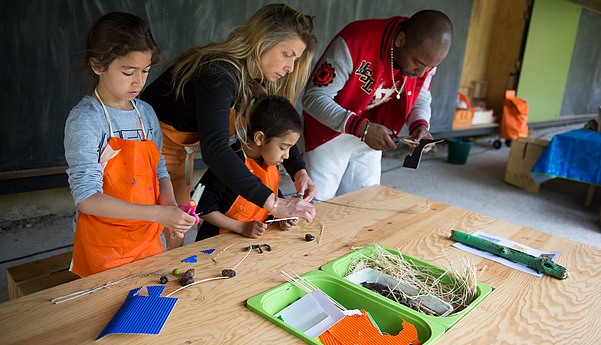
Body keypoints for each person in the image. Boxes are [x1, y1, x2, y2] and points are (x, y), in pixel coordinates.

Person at [141, 3, 318, 247]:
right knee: (142, 230)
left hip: (183, 152)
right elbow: (215, 150)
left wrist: (299, 171)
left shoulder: (255, 80)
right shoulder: (218, 74)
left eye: (295, 60)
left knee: (177, 232)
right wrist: (274, 204)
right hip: (145, 145)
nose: (290, 67)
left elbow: (277, 127)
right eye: (287, 55)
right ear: (263, 41)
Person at [64, 12, 196, 277]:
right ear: (97, 65)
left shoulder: (145, 112)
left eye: (145, 71)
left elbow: (159, 168)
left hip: (148, 239)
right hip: (105, 245)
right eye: (128, 72)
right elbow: (87, 198)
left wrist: (169, 206)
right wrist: (158, 214)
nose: (139, 82)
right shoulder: (87, 119)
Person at [301, 10, 453, 201]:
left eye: (429, 67)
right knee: (317, 202)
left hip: (373, 132)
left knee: (363, 200)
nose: (422, 73)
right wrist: (361, 128)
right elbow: (314, 98)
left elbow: (420, 96)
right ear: (400, 40)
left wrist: (420, 125)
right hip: (330, 129)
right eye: (417, 63)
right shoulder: (356, 40)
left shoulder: (426, 57)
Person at [195, 95, 302, 240]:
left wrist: (280, 215)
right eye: (283, 148)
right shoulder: (228, 164)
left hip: (252, 242)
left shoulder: (268, 160)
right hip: (219, 242)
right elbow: (201, 207)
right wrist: (241, 227)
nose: (287, 156)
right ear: (259, 138)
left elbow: (272, 191)